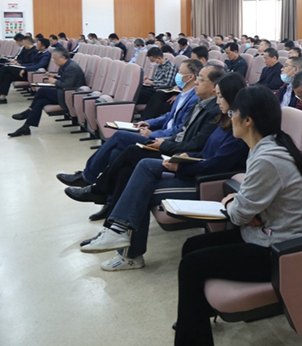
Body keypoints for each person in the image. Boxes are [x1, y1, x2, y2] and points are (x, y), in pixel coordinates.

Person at [172, 86, 302, 345]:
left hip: (281, 250)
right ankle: (195, 318)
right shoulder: (262, 146)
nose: (229, 117)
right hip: (264, 233)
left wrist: (234, 204)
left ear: (248, 120)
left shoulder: (267, 159)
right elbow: (246, 208)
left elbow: (239, 215)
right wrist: (242, 208)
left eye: (233, 112)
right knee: (192, 246)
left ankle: (191, 335)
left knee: (192, 265)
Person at [79, 73, 250, 270]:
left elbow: (217, 164)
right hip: (196, 169)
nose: (217, 100)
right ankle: (118, 234)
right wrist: (187, 156)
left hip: (205, 181)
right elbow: (207, 153)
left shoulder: (237, 129)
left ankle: (122, 240)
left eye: (220, 96)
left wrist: (182, 166)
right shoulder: (224, 120)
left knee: (140, 183)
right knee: (134, 169)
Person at [64, 64, 226, 221]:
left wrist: (160, 140)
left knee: (122, 140)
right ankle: (110, 203)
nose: (197, 82)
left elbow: (193, 142)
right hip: (170, 142)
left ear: (215, 87)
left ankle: (91, 181)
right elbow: (174, 123)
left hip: (178, 152)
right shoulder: (198, 101)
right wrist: (153, 127)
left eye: (201, 79)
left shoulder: (211, 109)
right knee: (118, 155)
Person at [57, 61, 205, 188]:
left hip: (166, 141)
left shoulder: (194, 99)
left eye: (180, 72)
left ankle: (87, 176)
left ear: (190, 77)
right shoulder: (183, 93)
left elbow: (180, 129)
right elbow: (169, 116)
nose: (177, 75)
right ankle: (108, 196)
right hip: (161, 133)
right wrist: (148, 122)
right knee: (116, 152)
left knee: (119, 136)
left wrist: (153, 134)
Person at [9, 48, 86, 137]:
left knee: (42, 90)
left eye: (55, 59)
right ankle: (26, 127)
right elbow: (65, 79)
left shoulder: (72, 67)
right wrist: (55, 77)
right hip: (63, 93)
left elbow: (68, 85)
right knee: (40, 102)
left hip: (69, 96)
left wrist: (55, 81)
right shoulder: (67, 65)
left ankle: (29, 111)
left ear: (63, 57)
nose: (54, 61)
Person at [0, 37, 50, 103]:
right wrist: (21, 65)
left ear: (43, 47)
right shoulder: (39, 53)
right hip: (27, 71)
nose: (36, 45)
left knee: (5, 68)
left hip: (32, 74)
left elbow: (39, 65)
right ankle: (2, 97)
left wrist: (25, 69)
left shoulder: (46, 55)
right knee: (7, 76)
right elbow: (32, 63)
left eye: (38, 44)